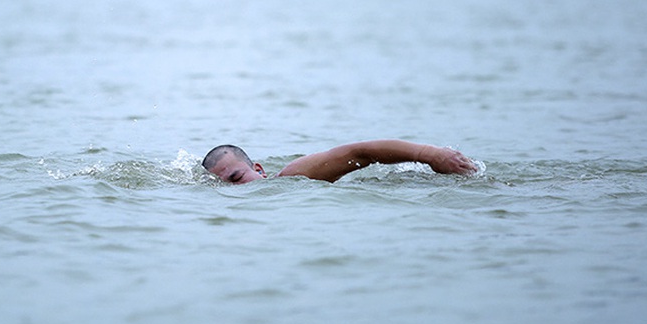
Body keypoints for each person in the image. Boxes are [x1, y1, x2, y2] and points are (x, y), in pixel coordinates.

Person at [202, 140, 477, 184]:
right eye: (222, 186)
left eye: (236, 179)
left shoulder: (292, 176)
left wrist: (429, 154)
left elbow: (359, 152)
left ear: (258, 169)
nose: (233, 190)